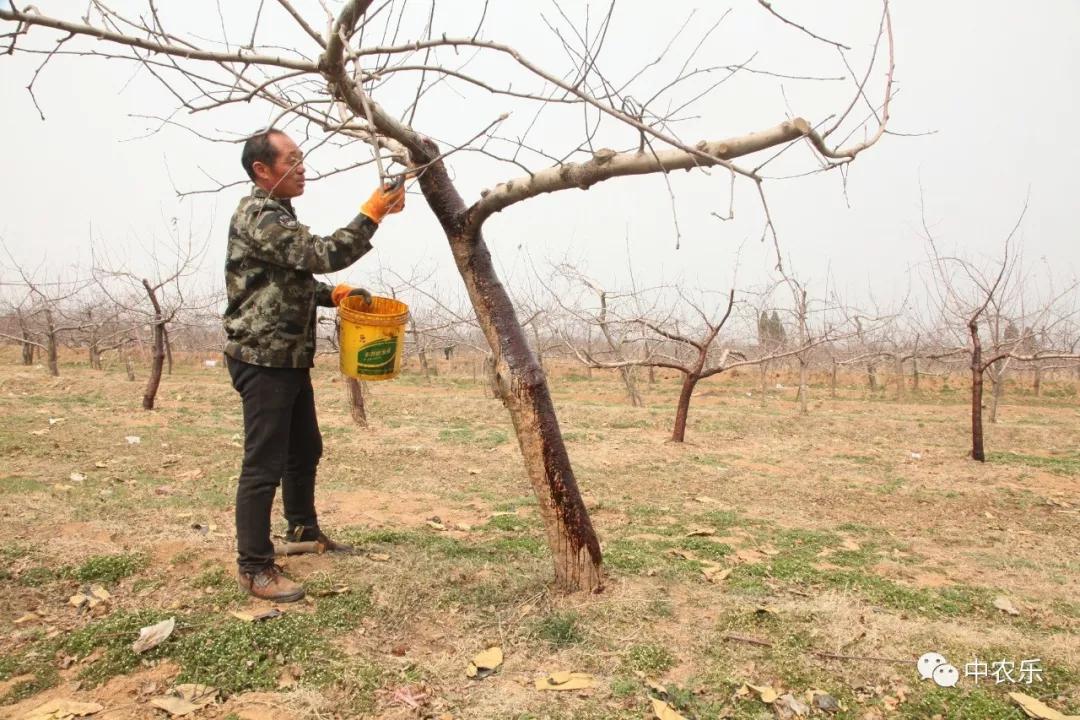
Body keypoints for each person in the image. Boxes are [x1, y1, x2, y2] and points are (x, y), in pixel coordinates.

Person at [223, 128, 405, 602]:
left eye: (302, 157)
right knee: (263, 465)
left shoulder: (278, 213)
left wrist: (333, 294)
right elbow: (323, 253)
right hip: (263, 360)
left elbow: (290, 280)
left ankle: (303, 531)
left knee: (304, 448)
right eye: (291, 159)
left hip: (286, 358)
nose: (302, 167)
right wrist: (373, 213)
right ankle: (255, 567)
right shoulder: (260, 214)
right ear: (262, 170)